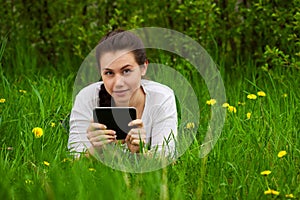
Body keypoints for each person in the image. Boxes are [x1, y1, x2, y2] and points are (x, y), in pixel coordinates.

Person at [68, 29, 178, 158]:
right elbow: (73, 160)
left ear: (143, 67)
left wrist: (140, 152)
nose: (118, 83)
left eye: (126, 71)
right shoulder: (86, 98)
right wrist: (96, 150)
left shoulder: (162, 97)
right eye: (109, 73)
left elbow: (167, 159)